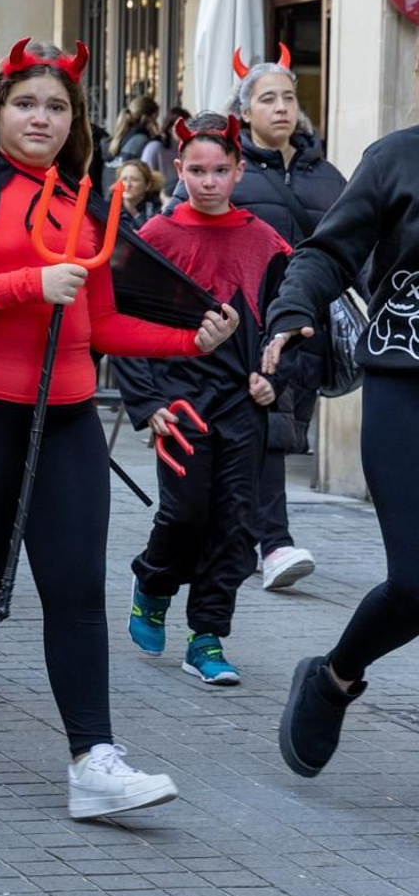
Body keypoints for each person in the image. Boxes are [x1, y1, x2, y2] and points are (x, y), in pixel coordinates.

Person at [0, 39, 239, 818]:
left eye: (57, 106)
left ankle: (94, 760)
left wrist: (189, 342)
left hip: (69, 415)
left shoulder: (86, 194)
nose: (42, 117)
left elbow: (103, 325)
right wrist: (29, 283)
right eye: (26, 103)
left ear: (75, 120)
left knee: (78, 587)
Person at [266, 51, 419, 780]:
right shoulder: (396, 159)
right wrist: (294, 311)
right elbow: (327, 252)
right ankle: (335, 676)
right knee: (418, 581)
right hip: (407, 386)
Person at [115, 114, 297, 687]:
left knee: (235, 523)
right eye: (197, 170)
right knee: (185, 513)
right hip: (180, 401)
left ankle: (208, 637)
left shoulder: (266, 241)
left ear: (240, 171)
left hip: (241, 403)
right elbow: (119, 325)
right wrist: (147, 403)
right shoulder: (157, 239)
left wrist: (275, 379)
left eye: (221, 170)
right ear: (178, 170)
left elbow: (290, 325)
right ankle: (153, 582)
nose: (210, 181)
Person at [169, 52, 347, 590]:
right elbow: (176, 236)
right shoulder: (222, 166)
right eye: (267, 98)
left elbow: (350, 244)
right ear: (244, 112)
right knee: (266, 426)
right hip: (240, 326)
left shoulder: (326, 174)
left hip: (305, 325)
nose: (281, 107)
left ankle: (237, 535)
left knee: (273, 432)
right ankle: (275, 543)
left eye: (289, 97)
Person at [141, 107, 190, 202]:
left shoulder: (186, 149)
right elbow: (144, 175)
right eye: (181, 127)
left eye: (189, 128)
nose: (186, 131)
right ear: (169, 128)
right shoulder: (155, 147)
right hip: (156, 200)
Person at [106, 96, 159, 170]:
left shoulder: (121, 136)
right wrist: (156, 138)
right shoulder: (142, 140)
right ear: (145, 118)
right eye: (155, 118)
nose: (157, 123)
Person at [115, 158, 161, 229]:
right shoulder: (108, 208)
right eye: (124, 179)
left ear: (148, 185)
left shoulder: (158, 210)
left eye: (134, 180)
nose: (128, 184)